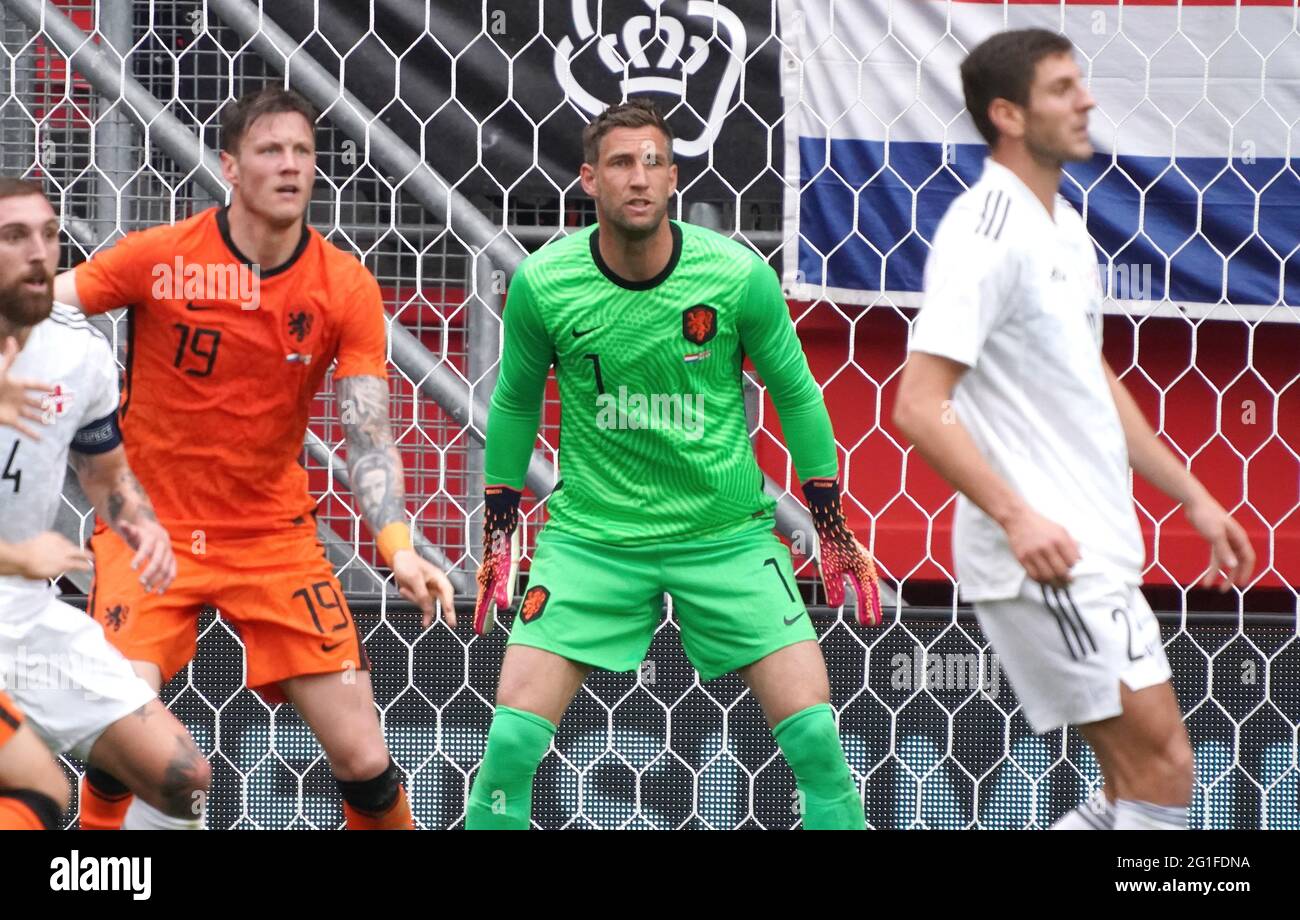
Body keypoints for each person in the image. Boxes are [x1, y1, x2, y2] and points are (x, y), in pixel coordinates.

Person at [467, 99, 882, 830]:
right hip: (594, 540)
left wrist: (831, 522)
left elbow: (795, 391)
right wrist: (500, 526)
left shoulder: (734, 275)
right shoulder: (544, 283)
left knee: (817, 738)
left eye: (653, 162)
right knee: (508, 745)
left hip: (725, 536)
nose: (640, 178)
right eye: (622, 163)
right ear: (590, 180)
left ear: (673, 178)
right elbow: (513, 405)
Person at [53, 86, 454, 830]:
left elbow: (367, 432)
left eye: (303, 151)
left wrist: (398, 547)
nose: (291, 165)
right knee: (124, 730)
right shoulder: (162, 258)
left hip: (272, 542)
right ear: (230, 167)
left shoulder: (343, 286)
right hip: (151, 534)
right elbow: (41, 299)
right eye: (271, 150)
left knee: (363, 756)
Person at [893, 29, 1256, 830]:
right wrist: (1017, 516)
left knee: (1132, 786)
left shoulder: (1061, 229)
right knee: (1164, 770)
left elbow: (1093, 380)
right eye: (1062, 88)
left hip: (1092, 545)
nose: (1087, 99)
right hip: (1047, 560)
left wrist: (1194, 496)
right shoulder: (984, 230)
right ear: (1008, 115)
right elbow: (921, 403)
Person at [0, 177, 211, 830]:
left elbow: (103, 472)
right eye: (14, 236)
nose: (40, 251)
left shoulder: (78, 357)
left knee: (182, 778)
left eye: (50, 234)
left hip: (28, 623)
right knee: (34, 793)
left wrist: (139, 524)